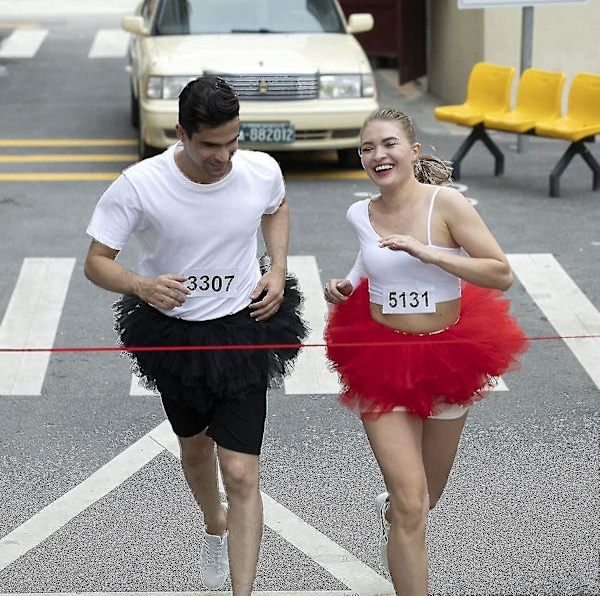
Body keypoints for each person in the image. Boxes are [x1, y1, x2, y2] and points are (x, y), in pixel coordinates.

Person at [84, 76, 307, 596]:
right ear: (181, 132)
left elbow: (275, 206)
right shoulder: (139, 185)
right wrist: (141, 284)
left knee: (242, 471)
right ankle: (214, 522)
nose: (225, 157)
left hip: (243, 327)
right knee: (194, 449)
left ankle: (242, 590)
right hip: (174, 336)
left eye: (233, 141)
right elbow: (96, 263)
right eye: (210, 145)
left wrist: (277, 267)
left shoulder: (259, 170)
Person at [323, 108, 528, 595]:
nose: (378, 155)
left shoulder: (448, 206)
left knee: (426, 497)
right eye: (368, 148)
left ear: (413, 152)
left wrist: (429, 251)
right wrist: (347, 285)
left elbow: (499, 272)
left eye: (389, 144)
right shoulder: (359, 213)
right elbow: (367, 255)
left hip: (447, 354)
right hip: (382, 356)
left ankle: (392, 515)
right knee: (413, 503)